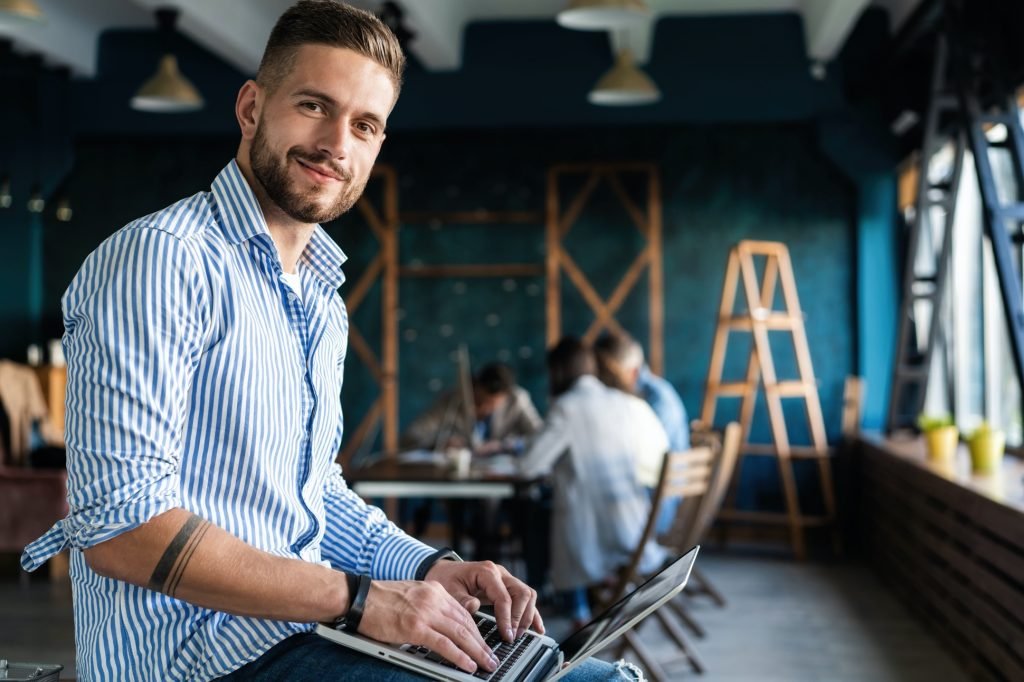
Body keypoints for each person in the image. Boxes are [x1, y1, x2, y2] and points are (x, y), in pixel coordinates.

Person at [19, 3, 631, 680]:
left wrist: (430, 568)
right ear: (252, 108)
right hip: (197, 663)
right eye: (314, 105)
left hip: (302, 635)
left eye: (365, 125)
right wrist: (363, 602)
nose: (338, 143)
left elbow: (314, 495)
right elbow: (122, 532)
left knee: (599, 675)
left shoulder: (318, 294)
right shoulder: (162, 260)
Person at [519, 337, 668, 625]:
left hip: (595, 533)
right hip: (633, 523)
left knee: (534, 515)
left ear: (557, 371)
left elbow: (528, 467)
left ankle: (563, 607)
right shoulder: (621, 401)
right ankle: (576, 605)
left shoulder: (567, 406)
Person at [594, 331, 689, 533]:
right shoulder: (646, 395)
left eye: (605, 374)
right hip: (653, 497)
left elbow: (640, 458)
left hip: (657, 506)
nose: (601, 382)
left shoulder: (656, 400)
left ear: (633, 372)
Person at [400, 362, 542, 456]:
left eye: (492, 404)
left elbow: (540, 435)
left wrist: (503, 445)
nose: (485, 408)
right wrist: (442, 442)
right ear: (475, 387)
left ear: (507, 396)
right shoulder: (453, 401)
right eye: (481, 400)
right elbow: (412, 434)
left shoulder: (517, 400)